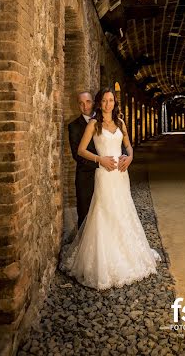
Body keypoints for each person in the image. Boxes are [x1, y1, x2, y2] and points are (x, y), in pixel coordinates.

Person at [61, 87, 161, 290]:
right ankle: (104, 259)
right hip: (104, 174)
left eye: (111, 100)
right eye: (104, 101)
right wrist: (100, 159)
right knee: (104, 212)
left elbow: (129, 146)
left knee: (123, 211)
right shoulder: (93, 124)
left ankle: (128, 253)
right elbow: (81, 150)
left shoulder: (121, 123)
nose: (108, 104)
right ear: (99, 103)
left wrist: (130, 157)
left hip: (121, 175)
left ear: (114, 102)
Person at [68, 91, 128, 228]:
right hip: (87, 175)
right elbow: (77, 154)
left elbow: (119, 143)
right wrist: (101, 163)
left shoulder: (110, 121)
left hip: (110, 174)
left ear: (94, 103)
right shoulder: (74, 126)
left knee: (111, 211)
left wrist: (122, 157)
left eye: (88, 102)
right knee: (86, 213)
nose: (85, 106)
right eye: (81, 103)